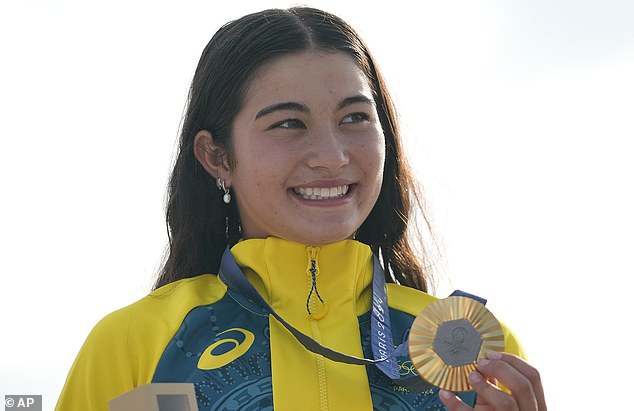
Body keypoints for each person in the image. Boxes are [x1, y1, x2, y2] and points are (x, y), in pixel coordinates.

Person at [56, 6, 546, 411]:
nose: (332, 156)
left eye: (354, 117)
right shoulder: (134, 344)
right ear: (217, 156)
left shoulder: (473, 346)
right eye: (289, 123)